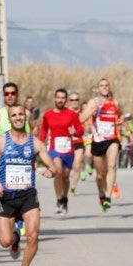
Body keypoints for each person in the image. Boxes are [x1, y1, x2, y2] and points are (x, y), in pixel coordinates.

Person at [0, 104, 56, 266]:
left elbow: (52, 165)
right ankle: (15, 237)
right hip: (5, 196)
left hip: (28, 195)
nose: (17, 118)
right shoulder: (0, 141)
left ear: (26, 117)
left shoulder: (36, 143)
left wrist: (51, 171)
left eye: (21, 114)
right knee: (5, 241)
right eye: (14, 115)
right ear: (9, 119)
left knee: (33, 236)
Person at [81, 78, 125, 212]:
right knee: (100, 175)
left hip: (112, 139)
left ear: (109, 87)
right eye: (102, 85)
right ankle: (101, 194)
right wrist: (90, 112)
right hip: (98, 141)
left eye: (106, 85)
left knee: (112, 166)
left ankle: (108, 197)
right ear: (98, 88)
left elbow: (121, 116)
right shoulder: (93, 102)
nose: (104, 87)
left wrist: (121, 121)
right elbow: (81, 118)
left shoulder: (115, 103)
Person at [39, 88, 84, 216]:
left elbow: (80, 129)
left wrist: (74, 132)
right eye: (58, 97)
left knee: (65, 177)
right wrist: (40, 143)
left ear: (66, 100)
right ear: (54, 98)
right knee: (57, 171)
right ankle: (59, 200)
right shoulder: (48, 115)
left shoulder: (71, 114)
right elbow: (43, 130)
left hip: (68, 150)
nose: (60, 100)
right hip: (54, 149)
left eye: (63, 98)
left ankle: (64, 198)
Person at [67, 92, 87, 195]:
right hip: (66, 142)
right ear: (68, 101)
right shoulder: (64, 112)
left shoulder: (83, 113)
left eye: (76, 100)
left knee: (77, 165)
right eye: (72, 100)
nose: (74, 102)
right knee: (65, 168)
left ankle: (73, 187)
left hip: (78, 141)